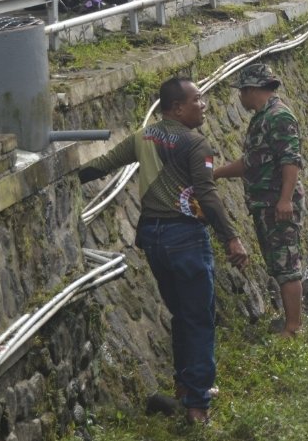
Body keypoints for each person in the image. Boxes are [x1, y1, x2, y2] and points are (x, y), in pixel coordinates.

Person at [77, 77, 248, 424]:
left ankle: (185, 388)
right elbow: (207, 194)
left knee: (181, 314)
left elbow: (101, 165)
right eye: (196, 100)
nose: (203, 105)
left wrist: (64, 175)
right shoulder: (195, 143)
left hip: (152, 237)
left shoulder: (143, 137)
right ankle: (198, 407)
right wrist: (231, 236)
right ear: (176, 108)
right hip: (185, 237)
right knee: (199, 319)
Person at [213, 64, 305, 337]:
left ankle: (293, 328)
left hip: (277, 204)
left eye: (241, 91)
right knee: (278, 263)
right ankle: (290, 322)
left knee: (287, 264)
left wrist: (285, 200)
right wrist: (216, 173)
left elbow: (291, 160)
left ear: (251, 89)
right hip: (266, 204)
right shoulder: (263, 118)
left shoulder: (278, 117)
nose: (240, 98)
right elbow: (251, 163)